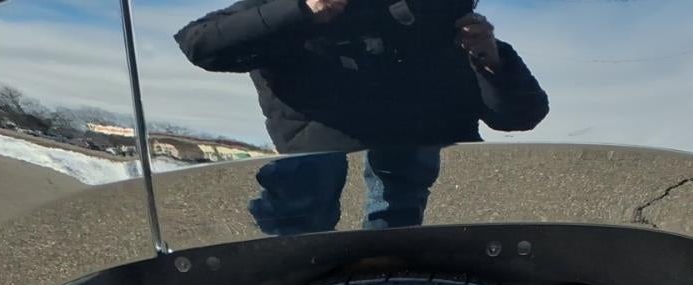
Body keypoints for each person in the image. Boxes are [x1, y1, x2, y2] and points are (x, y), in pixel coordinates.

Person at [175, 0, 548, 234]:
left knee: (396, 220)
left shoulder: (439, 23)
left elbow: (521, 115)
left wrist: (489, 57)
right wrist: (302, 10)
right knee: (304, 210)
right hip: (301, 212)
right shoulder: (297, 12)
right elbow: (200, 43)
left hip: (424, 220)